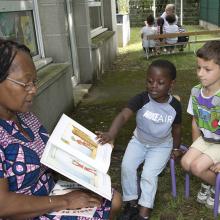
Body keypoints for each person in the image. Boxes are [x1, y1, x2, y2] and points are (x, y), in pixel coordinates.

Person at [0, 39, 122, 219]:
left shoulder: (25, 116)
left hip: (50, 191)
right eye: (25, 83)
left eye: (34, 82)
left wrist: (92, 157)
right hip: (26, 210)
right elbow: (3, 207)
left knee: (113, 199)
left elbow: (51, 158)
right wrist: (65, 201)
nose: (33, 90)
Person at [96, 59, 182, 220]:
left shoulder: (175, 106)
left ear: (171, 84)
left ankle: (144, 212)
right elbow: (123, 115)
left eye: (160, 82)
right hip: (139, 141)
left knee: (148, 175)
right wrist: (111, 133)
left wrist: (176, 149)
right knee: (127, 166)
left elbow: (177, 129)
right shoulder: (142, 99)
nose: (153, 86)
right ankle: (131, 204)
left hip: (161, 146)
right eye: (149, 81)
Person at [181, 41, 220, 211]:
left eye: (207, 69)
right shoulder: (196, 92)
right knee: (186, 162)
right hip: (206, 138)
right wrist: (196, 146)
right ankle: (209, 181)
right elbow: (195, 121)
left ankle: (217, 187)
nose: (200, 74)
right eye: (198, 68)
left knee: (197, 167)